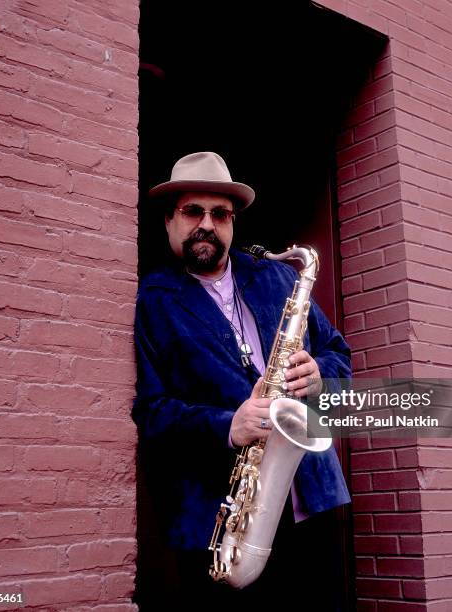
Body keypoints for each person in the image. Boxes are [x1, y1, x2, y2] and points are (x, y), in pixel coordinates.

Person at [132, 152, 351, 611]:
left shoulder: (275, 276)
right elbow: (152, 411)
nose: (207, 224)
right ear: (169, 220)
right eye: (193, 211)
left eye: (220, 214)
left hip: (310, 499)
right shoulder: (154, 299)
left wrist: (319, 376)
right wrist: (227, 425)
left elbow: (337, 354)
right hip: (223, 518)